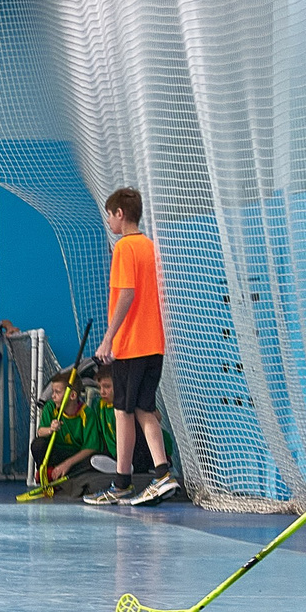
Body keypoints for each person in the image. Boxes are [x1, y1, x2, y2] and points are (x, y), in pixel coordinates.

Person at [87, 188, 178, 507]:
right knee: (143, 409)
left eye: (109, 215)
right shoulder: (150, 247)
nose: (108, 220)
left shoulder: (125, 247)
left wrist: (108, 338)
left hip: (131, 344)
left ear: (120, 214)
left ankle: (122, 482)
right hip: (155, 344)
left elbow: (126, 293)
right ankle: (162, 474)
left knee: (122, 413)